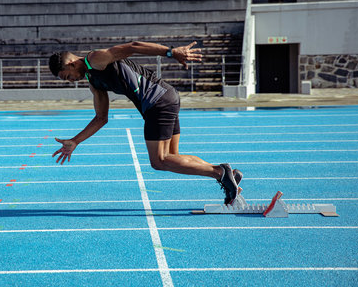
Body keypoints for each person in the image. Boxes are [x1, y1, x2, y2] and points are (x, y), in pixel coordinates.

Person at [48, 41, 242, 205]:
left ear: (72, 63)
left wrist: (171, 52)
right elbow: (101, 118)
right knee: (172, 157)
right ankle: (228, 175)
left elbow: (133, 46)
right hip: (166, 97)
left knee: (159, 161)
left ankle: (220, 173)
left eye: (67, 76)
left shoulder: (96, 59)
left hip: (157, 102)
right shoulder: (94, 82)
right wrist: (76, 141)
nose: (71, 80)